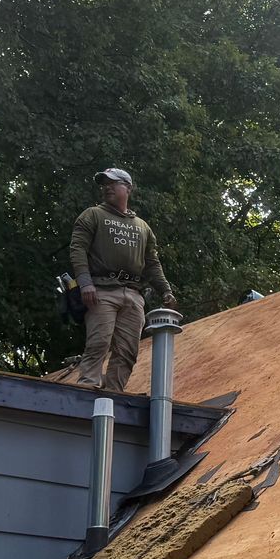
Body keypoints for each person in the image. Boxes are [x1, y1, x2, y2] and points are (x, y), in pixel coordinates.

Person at [69, 167, 175, 391]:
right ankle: (86, 387)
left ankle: (113, 392)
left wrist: (165, 289)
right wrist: (85, 283)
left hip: (134, 293)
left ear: (128, 188)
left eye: (113, 183)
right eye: (104, 184)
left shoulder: (142, 227)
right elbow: (77, 249)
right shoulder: (93, 215)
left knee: (127, 350)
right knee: (99, 342)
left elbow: (152, 262)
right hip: (102, 290)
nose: (107, 187)